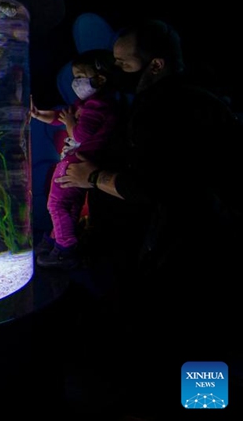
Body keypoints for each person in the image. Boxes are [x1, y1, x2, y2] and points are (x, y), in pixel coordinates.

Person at [54, 20, 242, 392]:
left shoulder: (170, 106)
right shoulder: (193, 95)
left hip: (190, 247)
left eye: (124, 64)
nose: (116, 72)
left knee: (186, 336)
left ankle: (186, 405)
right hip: (193, 241)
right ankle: (193, 401)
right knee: (193, 337)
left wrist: (91, 178)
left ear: (155, 64)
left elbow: (158, 185)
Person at [30, 49, 126, 270]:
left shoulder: (99, 105)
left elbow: (79, 135)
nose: (76, 82)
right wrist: (39, 114)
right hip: (80, 160)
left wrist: (71, 122)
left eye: (80, 77)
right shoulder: (86, 104)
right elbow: (60, 118)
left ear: (100, 78)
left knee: (56, 203)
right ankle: (58, 238)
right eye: (74, 77)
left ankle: (65, 247)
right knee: (70, 204)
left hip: (80, 161)